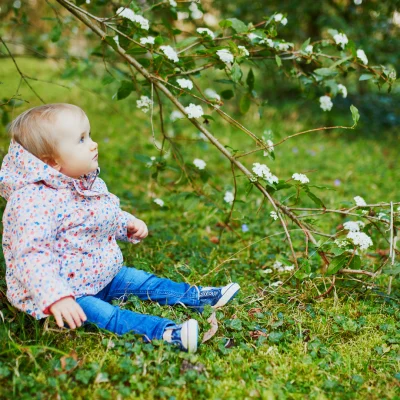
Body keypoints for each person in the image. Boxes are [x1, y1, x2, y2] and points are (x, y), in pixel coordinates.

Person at [0, 103, 240, 353]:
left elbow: (99, 214)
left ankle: (197, 297)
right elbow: (31, 255)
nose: (93, 144)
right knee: (108, 317)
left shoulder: (81, 182)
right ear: (52, 163)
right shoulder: (31, 202)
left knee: (145, 282)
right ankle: (167, 333)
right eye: (81, 140)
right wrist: (56, 297)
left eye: (90, 135)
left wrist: (126, 223)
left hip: (102, 273)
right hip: (69, 294)